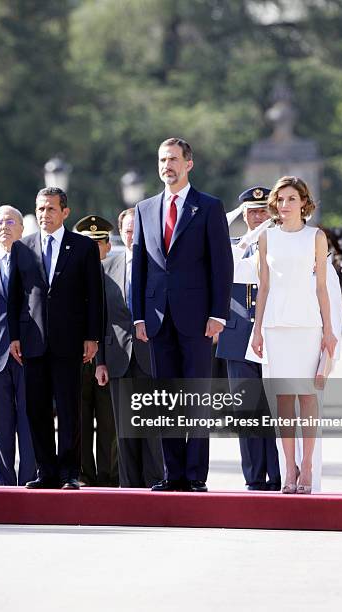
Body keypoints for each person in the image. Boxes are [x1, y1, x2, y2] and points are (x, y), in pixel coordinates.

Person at [132, 137, 233, 492]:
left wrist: (218, 314)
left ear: (188, 164)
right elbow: (139, 266)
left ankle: (195, 475)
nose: (166, 166)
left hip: (198, 319)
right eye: (162, 160)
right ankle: (171, 473)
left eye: (173, 159)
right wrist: (139, 316)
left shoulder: (208, 207)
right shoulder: (144, 209)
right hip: (157, 318)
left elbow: (222, 264)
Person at [7, 186, 103, 490]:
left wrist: (92, 337)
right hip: (33, 341)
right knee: (36, 409)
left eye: (50, 208)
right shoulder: (22, 247)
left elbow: (94, 296)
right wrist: (13, 337)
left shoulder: (84, 247)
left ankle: (69, 473)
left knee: (69, 407)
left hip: (70, 340)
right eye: (39, 208)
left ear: (65, 212)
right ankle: (45, 471)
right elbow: (14, 298)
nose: (44, 214)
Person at [251, 176, 338, 494]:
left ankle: (308, 465)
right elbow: (264, 288)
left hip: (308, 325)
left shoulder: (316, 237)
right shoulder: (267, 238)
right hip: (276, 326)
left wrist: (329, 331)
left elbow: (322, 287)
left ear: (304, 202)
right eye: (280, 200)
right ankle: (290, 468)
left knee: (308, 396)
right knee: (284, 399)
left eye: (290, 199)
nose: (284, 205)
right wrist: (257, 329)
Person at [217, 187, 280, 491]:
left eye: (263, 211)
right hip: (237, 339)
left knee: (276, 410)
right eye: (252, 212)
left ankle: (280, 475)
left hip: (273, 337)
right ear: (243, 214)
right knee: (248, 412)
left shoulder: (282, 245)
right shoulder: (233, 246)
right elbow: (225, 268)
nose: (258, 217)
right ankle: (255, 477)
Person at [96, 208, 165, 488]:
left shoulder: (158, 267)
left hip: (150, 354)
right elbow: (100, 318)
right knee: (124, 430)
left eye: (137, 230)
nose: (132, 235)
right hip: (117, 356)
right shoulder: (107, 267)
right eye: (127, 230)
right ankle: (129, 487)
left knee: (152, 427)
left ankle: (155, 483)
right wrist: (100, 361)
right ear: (120, 234)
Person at [0, 205, 36, 486]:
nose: (3, 226)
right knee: (0, 426)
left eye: (9, 221)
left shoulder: (33, 261)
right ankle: (3, 485)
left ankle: (28, 479)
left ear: (21, 229)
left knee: (28, 422)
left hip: (27, 352)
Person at [74, 214, 118, 487]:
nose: (92, 250)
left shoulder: (116, 274)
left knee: (107, 423)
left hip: (108, 358)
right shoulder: (72, 276)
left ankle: (108, 478)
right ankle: (84, 476)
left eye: (97, 244)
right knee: (79, 420)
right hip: (78, 359)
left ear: (107, 246)